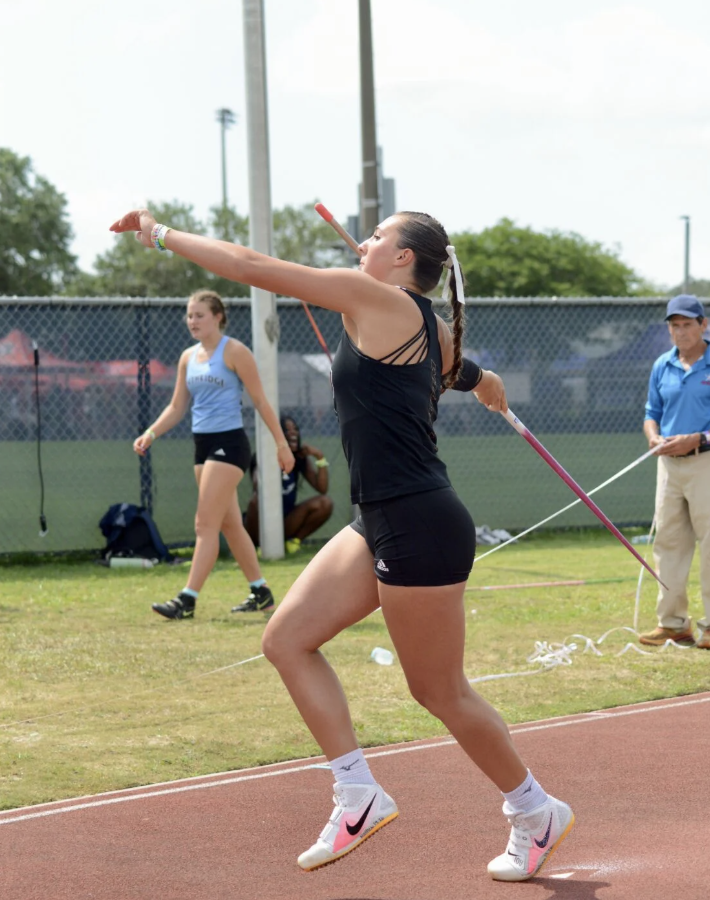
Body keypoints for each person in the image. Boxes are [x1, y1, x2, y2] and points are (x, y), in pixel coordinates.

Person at [112, 208, 574, 882]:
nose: (367, 240)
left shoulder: (374, 298)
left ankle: (535, 810)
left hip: (418, 520)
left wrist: (161, 235)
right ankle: (357, 792)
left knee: (440, 691)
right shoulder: (422, 321)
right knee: (286, 640)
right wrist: (483, 382)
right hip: (381, 517)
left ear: (403, 258)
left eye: (380, 235)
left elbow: (252, 267)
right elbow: (456, 368)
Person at [132, 289, 294, 619]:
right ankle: (261, 591)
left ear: (218, 317)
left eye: (199, 315)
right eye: (189, 315)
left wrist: (282, 444)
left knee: (204, 524)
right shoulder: (187, 357)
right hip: (202, 445)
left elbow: (261, 401)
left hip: (229, 444)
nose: (192, 321)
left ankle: (187, 600)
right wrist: (151, 433)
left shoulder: (234, 351)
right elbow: (177, 407)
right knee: (230, 524)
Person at [640, 294, 710, 651]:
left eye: (687, 324)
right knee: (668, 544)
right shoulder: (662, 365)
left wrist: (699, 438)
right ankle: (673, 624)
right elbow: (651, 413)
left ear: (703, 325)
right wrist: (654, 438)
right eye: (674, 325)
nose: (680, 332)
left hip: (708, 462)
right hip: (668, 467)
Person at [244, 414, 334, 555]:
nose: (293, 433)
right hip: (262, 521)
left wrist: (319, 457)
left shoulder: (299, 459)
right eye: (287, 430)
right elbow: (257, 487)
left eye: (295, 429)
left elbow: (322, 489)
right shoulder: (263, 456)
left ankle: (293, 542)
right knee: (255, 502)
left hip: (286, 519)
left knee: (325, 503)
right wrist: (274, 463)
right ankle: (257, 547)